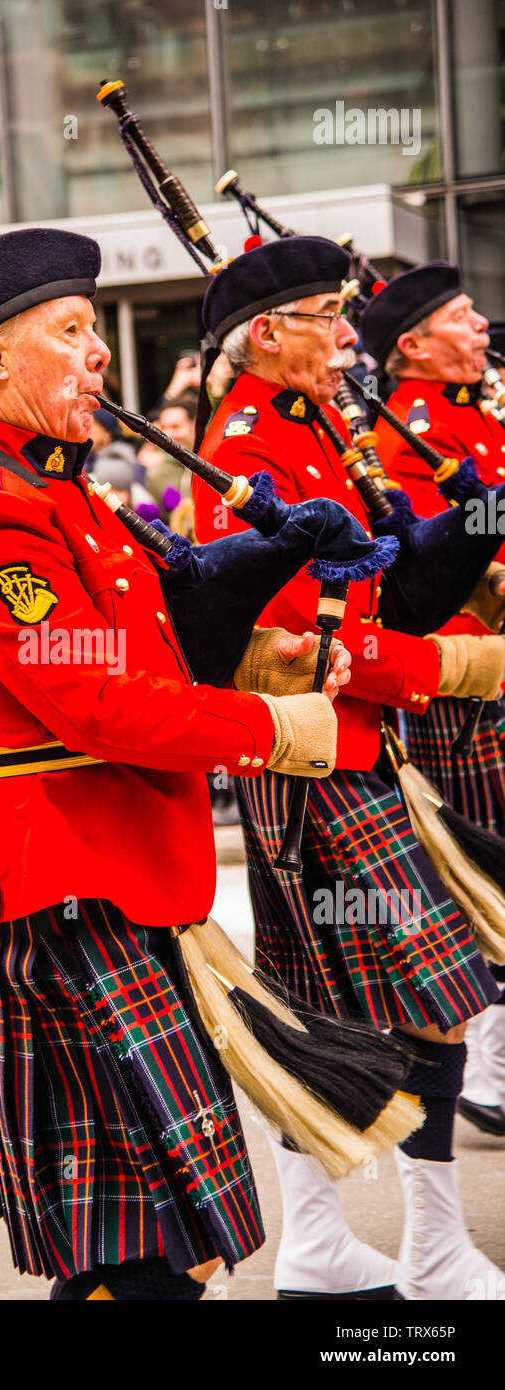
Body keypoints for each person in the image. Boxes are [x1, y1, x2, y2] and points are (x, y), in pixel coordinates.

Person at [0, 227, 357, 1301]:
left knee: (163, 1240)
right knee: (141, 1250)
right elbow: (96, 699)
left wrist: (270, 590)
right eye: (72, 331)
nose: (99, 352)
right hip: (57, 888)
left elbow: (149, 630)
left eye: (96, 329)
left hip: (115, 875)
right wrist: (272, 729)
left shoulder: (61, 486)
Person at [192, 235, 505, 1301]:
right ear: (268, 336)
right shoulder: (241, 442)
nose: (346, 333)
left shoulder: (316, 419)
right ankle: (409, 1246)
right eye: (328, 316)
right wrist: (448, 665)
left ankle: (343, 1245)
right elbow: (282, 646)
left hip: (360, 744)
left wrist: (474, 521)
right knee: (419, 992)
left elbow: (396, 580)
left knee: (340, 996)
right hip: (310, 753)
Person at [361, 262, 505, 1141]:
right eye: (461, 317)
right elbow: (430, 575)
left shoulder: (471, 420)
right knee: (483, 872)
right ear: (411, 347)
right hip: (463, 682)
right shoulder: (414, 431)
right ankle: (488, 1065)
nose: (481, 324)